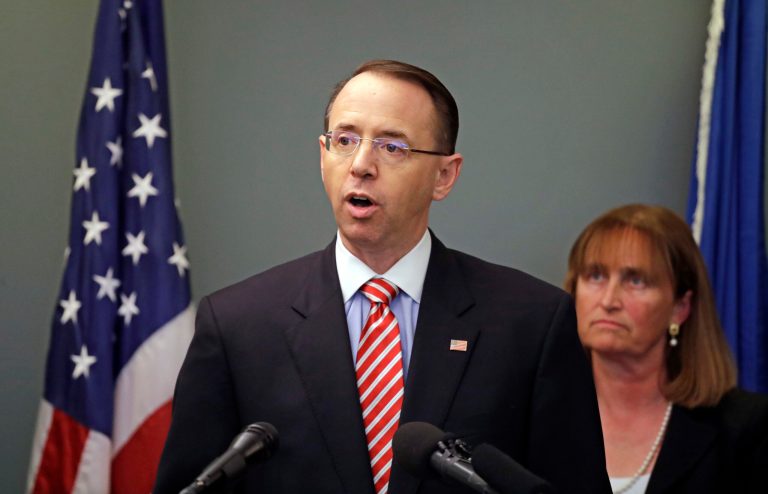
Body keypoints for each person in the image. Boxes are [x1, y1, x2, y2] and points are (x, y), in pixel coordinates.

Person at [154, 59, 610, 494]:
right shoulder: (237, 325)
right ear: (323, 154)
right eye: (346, 140)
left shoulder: (531, 322)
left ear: (444, 176)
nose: (361, 165)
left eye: (392, 146)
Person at [565, 204, 768, 494]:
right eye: (596, 276)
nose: (609, 300)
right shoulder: (539, 414)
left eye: (635, 280)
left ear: (680, 307)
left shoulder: (745, 429)